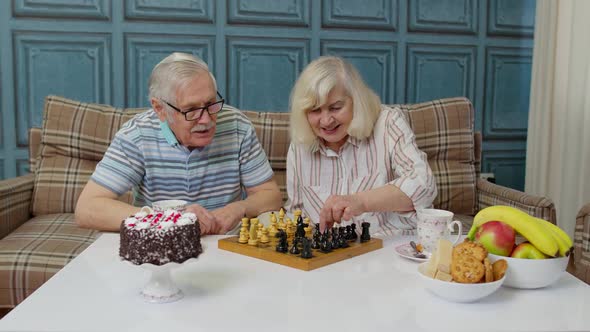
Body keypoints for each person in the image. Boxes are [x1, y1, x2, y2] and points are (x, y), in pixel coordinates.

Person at [75, 52, 282, 234]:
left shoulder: (238, 127)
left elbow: (270, 196)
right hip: (162, 247)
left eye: (210, 104)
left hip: (224, 244)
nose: (206, 120)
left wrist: (239, 208)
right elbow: (87, 209)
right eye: (191, 110)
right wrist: (169, 218)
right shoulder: (136, 136)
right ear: (160, 109)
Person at [285, 56, 437, 236]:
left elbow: (423, 185)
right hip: (330, 258)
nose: (326, 121)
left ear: (356, 100)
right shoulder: (300, 144)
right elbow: (295, 213)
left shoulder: (388, 123)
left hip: (389, 249)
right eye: (315, 110)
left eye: (335, 108)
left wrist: (360, 201)